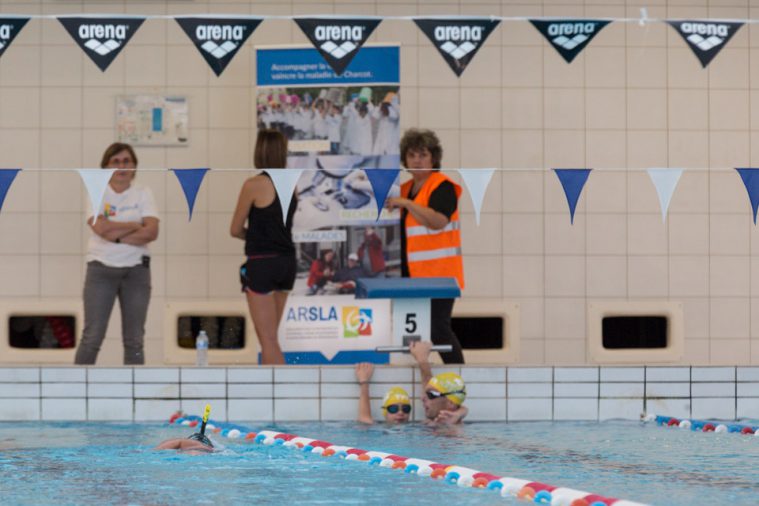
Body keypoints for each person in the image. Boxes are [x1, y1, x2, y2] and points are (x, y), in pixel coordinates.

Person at [385, 129, 465, 364]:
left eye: (422, 154)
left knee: (438, 328)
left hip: (441, 274)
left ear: (434, 158)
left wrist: (408, 204)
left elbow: (438, 221)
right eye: (411, 155)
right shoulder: (405, 189)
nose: (417, 160)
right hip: (412, 275)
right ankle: (423, 372)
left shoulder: (442, 186)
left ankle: (460, 374)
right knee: (416, 331)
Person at [74, 143, 159, 365]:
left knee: (135, 339)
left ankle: (135, 393)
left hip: (136, 271)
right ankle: (75, 392)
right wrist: (135, 224)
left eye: (126, 161)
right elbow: (100, 229)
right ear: (106, 166)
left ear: (134, 166)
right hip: (101, 268)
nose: (122, 166)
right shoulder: (97, 192)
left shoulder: (143, 192)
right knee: (92, 337)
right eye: (116, 161)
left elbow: (152, 231)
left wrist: (115, 232)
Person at [231, 129, 297, 365]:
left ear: (259, 152)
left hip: (262, 264)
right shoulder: (292, 184)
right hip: (287, 263)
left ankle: (278, 397)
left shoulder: (253, 185)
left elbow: (235, 229)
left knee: (268, 340)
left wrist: (255, 237)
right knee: (271, 337)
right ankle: (278, 394)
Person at [410, 341, 468, 425]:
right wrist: (422, 360)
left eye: (431, 394)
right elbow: (428, 381)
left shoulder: (454, 433)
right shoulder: (436, 421)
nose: (422, 397)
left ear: (451, 403)